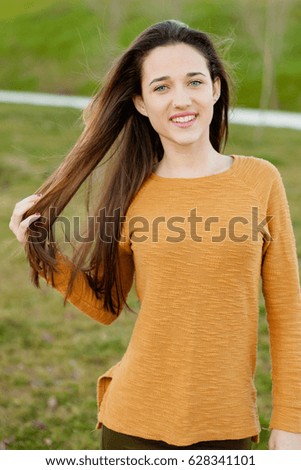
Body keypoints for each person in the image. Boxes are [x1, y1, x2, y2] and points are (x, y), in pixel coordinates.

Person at [9, 20, 301, 450]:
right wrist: (42, 254)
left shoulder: (260, 180)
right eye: (161, 87)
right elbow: (107, 306)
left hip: (225, 424)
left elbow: (287, 310)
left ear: (215, 89)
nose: (181, 100)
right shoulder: (131, 193)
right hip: (133, 423)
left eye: (194, 81)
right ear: (141, 102)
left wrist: (290, 421)